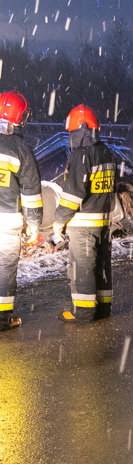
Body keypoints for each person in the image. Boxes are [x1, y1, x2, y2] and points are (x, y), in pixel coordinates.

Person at [53, 105, 118, 323]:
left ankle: (84, 313)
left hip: (83, 225)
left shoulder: (80, 155)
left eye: (72, 132)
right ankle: (103, 307)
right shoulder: (107, 153)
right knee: (101, 266)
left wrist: (58, 220)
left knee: (83, 268)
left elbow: (73, 194)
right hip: (104, 223)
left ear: (81, 130)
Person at [0, 91, 42, 331]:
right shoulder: (21, 150)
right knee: (5, 269)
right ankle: (2, 319)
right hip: (7, 222)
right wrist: (34, 227)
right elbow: (31, 195)